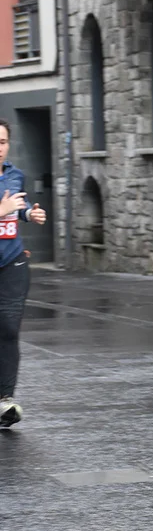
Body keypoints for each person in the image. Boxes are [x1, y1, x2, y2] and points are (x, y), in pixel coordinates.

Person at [0, 119, 47, 428]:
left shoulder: (15, 175)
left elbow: (19, 205)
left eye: (2, 142)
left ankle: (5, 400)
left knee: (8, 329)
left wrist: (30, 213)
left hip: (12, 263)